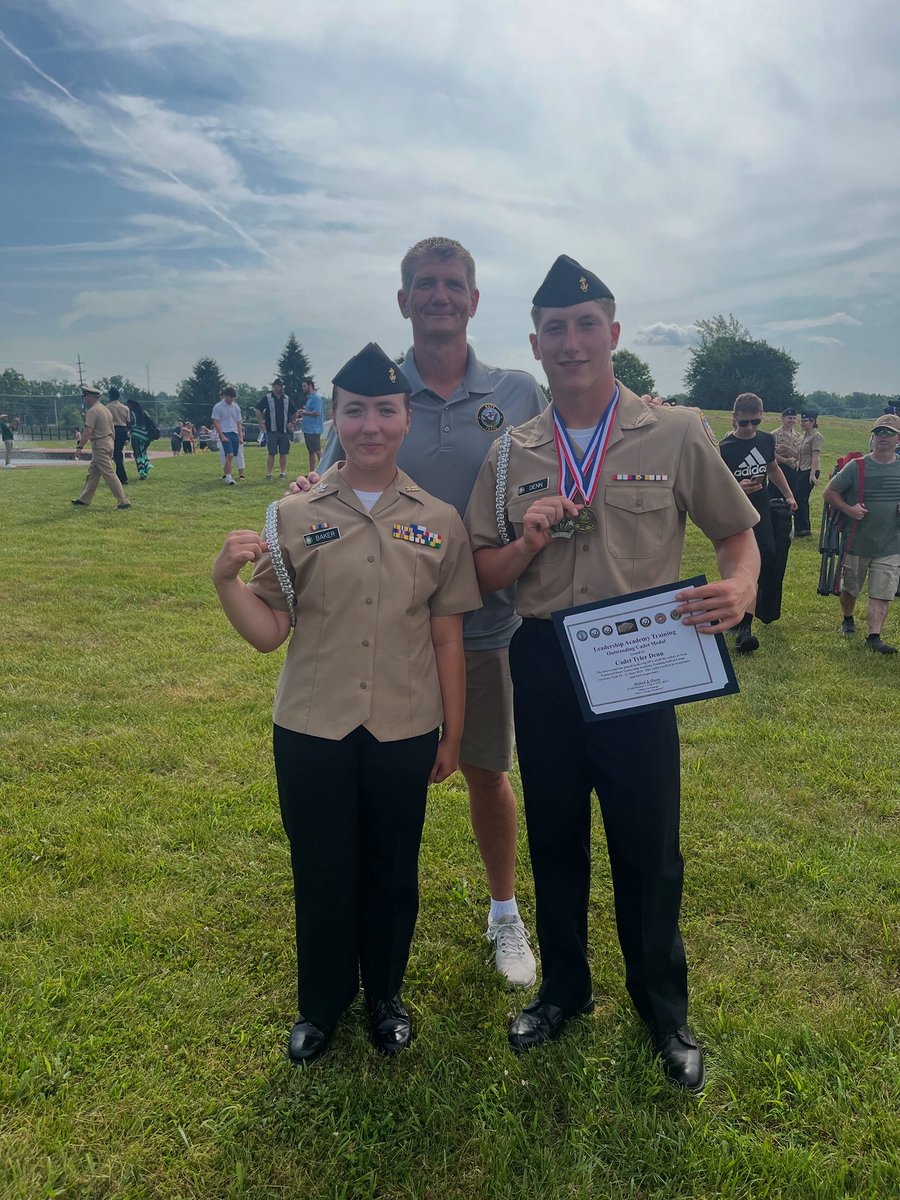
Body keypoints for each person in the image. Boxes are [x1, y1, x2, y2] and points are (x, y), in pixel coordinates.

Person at [464, 255, 760, 1091]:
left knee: (646, 844)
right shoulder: (511, 450)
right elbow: (480, 571)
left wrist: (738, 586)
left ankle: (663, 1011)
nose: (571, 342)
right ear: (535, 341)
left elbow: (736, 535)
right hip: (544, 657)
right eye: (554, 329)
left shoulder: (675, 431)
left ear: (614, 334)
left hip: (637, 660)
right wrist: (522, 539)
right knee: (555, 833)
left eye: (586, 324)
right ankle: (563, 991)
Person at [213, 342, 481, 1063]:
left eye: (385, 411)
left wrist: (453, 733)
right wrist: (225, 584)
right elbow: (270, 632)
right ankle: (321, 1005)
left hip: (402, 725)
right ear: (333, 418)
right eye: (355, 410)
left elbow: (448, 637)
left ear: (406, 419)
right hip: (311, 726)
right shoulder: (291, 516)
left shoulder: (440, 519)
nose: (370, 425)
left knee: (395, 870)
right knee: (323, 868)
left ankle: (386, 997)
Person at [302, 236, 547, 987]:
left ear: (473, 300)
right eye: (424, 285)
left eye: (452, 285)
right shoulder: (374, 387)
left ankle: (504, 914)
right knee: (371, 788)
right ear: (403, 301)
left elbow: (569, 452)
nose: (439, 296)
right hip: (381, 638)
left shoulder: (516, 394)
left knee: (485, 770)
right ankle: (363, 944)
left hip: (483, 627)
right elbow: (325, 489)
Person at [719, 393, 797, 652]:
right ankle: (742, 625)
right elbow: (713, 485)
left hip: (761, 513)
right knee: (740, 566)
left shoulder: (766, 440)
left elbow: (772, 468)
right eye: (744, 423)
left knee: (765, 558)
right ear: (734, 419)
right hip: (735, 514)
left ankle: (744, 620)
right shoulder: (724, 448)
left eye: (755, 422)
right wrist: (736, 486)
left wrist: (788, 494)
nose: (750, 428)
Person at [822, 414, 900, 654]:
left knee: (882, 592)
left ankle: (874, 636)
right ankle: (848, 617)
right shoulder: (857, 466)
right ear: (872, 437)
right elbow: (829, 492)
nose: (882, 438)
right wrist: (848, 509)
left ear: (898, 438)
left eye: (888, 433)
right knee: (850, 588)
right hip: (856, 542)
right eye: (878, 433)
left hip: (891, 544)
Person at [71, 386, 131, 509]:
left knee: (109, 473)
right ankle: (84, 499)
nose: (85, 400)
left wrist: (80, 446)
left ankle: (123, 501)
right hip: (108, 442)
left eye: (86, 397)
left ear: (91, 397)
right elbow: (113, 429)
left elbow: (88, 431)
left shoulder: (93, 411)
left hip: (100, 444)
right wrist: (111, 444)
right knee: (93, 473)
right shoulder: (105, 409)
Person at [256, 377, 298, 480]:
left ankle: (282, 472)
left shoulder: (286, 399)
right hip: (272, 430)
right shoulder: (268, 397)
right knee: (272, 453)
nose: (281, 387)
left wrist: (292, 423)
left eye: (282, 385)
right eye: (279, 385)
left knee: (283, 453)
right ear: (274, 386)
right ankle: (269, 473)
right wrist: (261, 422)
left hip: (284, 431)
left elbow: (295, 412)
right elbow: (258, 409)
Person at [794, 410, 823, 536]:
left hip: (810, 470)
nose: (802, 423)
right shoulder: (803, 436)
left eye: (805, 421)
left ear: (812, 422)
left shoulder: (816, 436)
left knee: (801, 498)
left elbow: (815, 456)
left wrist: (812, 474)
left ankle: (804, 528)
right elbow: (799, 454)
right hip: (801, 469)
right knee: (798, 498)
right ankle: (800, 527)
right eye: (802, 420)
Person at [211, 386, 244, 486]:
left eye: (233, 398)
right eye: (230, 397)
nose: (232, 400)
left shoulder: (236, 407)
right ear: (226, 396)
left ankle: (227, 474)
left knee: (232, 456)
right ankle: (229, 477)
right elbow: (216, 422)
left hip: (234, 432)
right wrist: (221, 435)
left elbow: (238, 422)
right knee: (229, 455)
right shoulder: (218, 407)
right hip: (225, 432)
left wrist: (240, 436)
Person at [771, 407, 801, 500]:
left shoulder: (799, 436)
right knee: (775, 496)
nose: (792, 421)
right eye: (789, 418)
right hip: (778, 468)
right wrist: (785, 461)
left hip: (793, 470)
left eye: (794, 418)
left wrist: (794, 460)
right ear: (783, 418)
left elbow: (800, 453)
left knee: (792, 496)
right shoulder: (774, 435)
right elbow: (770, 453)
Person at [127, 396, 159, 480]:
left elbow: (129, 424)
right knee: (143, 452)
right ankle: (147, 464)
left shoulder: (131, 414)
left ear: (130, 405)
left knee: (138, 455)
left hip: (136, 436)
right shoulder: (144, 412)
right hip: (146, 437)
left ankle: (142, 472)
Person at [299, 377, 325, 472]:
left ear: (310, 386)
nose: (303, 388)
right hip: (307, 429)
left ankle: (324, 469)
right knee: (310, 451)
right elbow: (310, 413)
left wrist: (305, 412)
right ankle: (312, 471)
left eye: (304, 386)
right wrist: (302, 417)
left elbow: (317, 413)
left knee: (317, 450)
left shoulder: (316, 398)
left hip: (314, 429)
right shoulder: (309, 399)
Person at [107, 386, 131, 486]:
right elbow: (128, 421)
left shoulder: (107, 407)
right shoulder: (125, 408)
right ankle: (118, 475)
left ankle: (123, 477)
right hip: (123, 429)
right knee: (119, 453)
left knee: (116, 454)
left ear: (110, 396)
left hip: (114, 430)